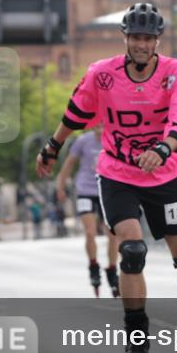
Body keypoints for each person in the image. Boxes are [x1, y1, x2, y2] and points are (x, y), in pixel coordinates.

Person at [36, 2, 177, 353]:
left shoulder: (174, 72)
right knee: (132, 250)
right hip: (118, 174)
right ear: (125, 38)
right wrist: (52, 147)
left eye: (148, 38)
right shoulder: (102, 74)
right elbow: (76, 112)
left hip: (164, 174)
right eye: (135, 37)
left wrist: (163, 148)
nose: (142, 45)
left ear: (157, 40)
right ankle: (136, 338)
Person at [56, 124, 121, 297]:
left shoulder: (114, 139)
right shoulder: (82, 141)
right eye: (96, 124)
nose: (99, 128)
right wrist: (60, 186)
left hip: (106, 189)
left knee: (112, 234)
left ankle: (112, 269)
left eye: (103, 124)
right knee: (90, 231)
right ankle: (93, 266)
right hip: (85, 190)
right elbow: (69, 164)